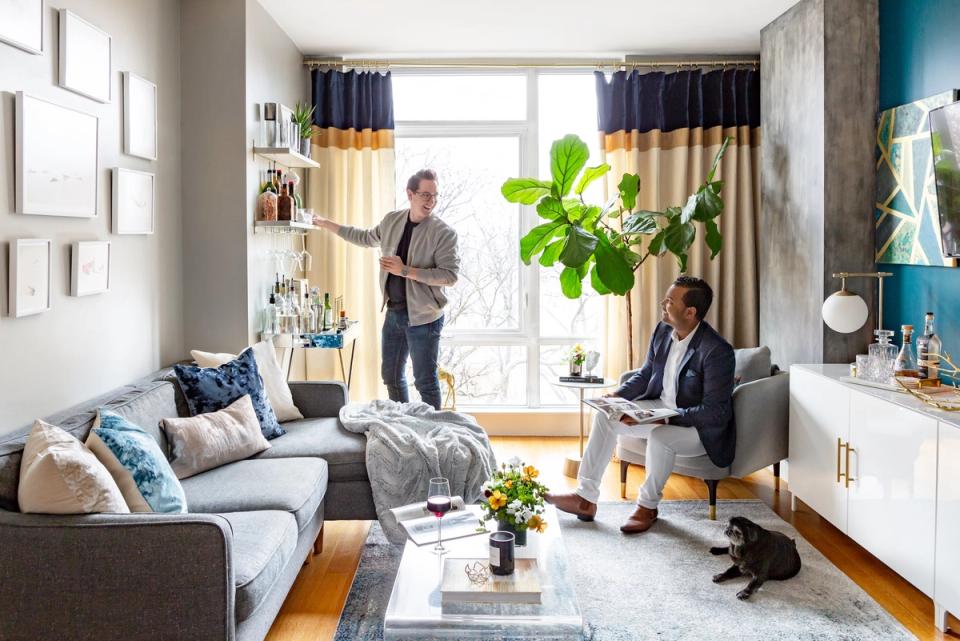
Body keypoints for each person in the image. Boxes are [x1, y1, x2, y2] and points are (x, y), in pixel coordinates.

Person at [546, 276, 736, 534]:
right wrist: (617, 397)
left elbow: (715, 412)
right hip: (660, 409)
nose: (663, 303)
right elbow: (646, 374)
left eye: (669, 301)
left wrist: (663, 418)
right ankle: (585, 499)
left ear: (690, 312)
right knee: (605, 417)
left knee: (661, 435)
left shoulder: (716, 351)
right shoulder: (662, 331)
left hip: (697, 429)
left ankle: (647, 507)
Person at [313, 169, 459, 410]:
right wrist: (325, 223)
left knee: (425, 382)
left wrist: (406, 270)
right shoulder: (392, 220)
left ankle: (432, 433)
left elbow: (450, 276)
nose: (430, 201)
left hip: (424, 318)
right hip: (394, 313)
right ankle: (402, 425)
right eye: (425, 195)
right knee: (390, 376)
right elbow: (364, 237)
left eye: (434, 196)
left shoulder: (444, 234)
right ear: (410, 194)